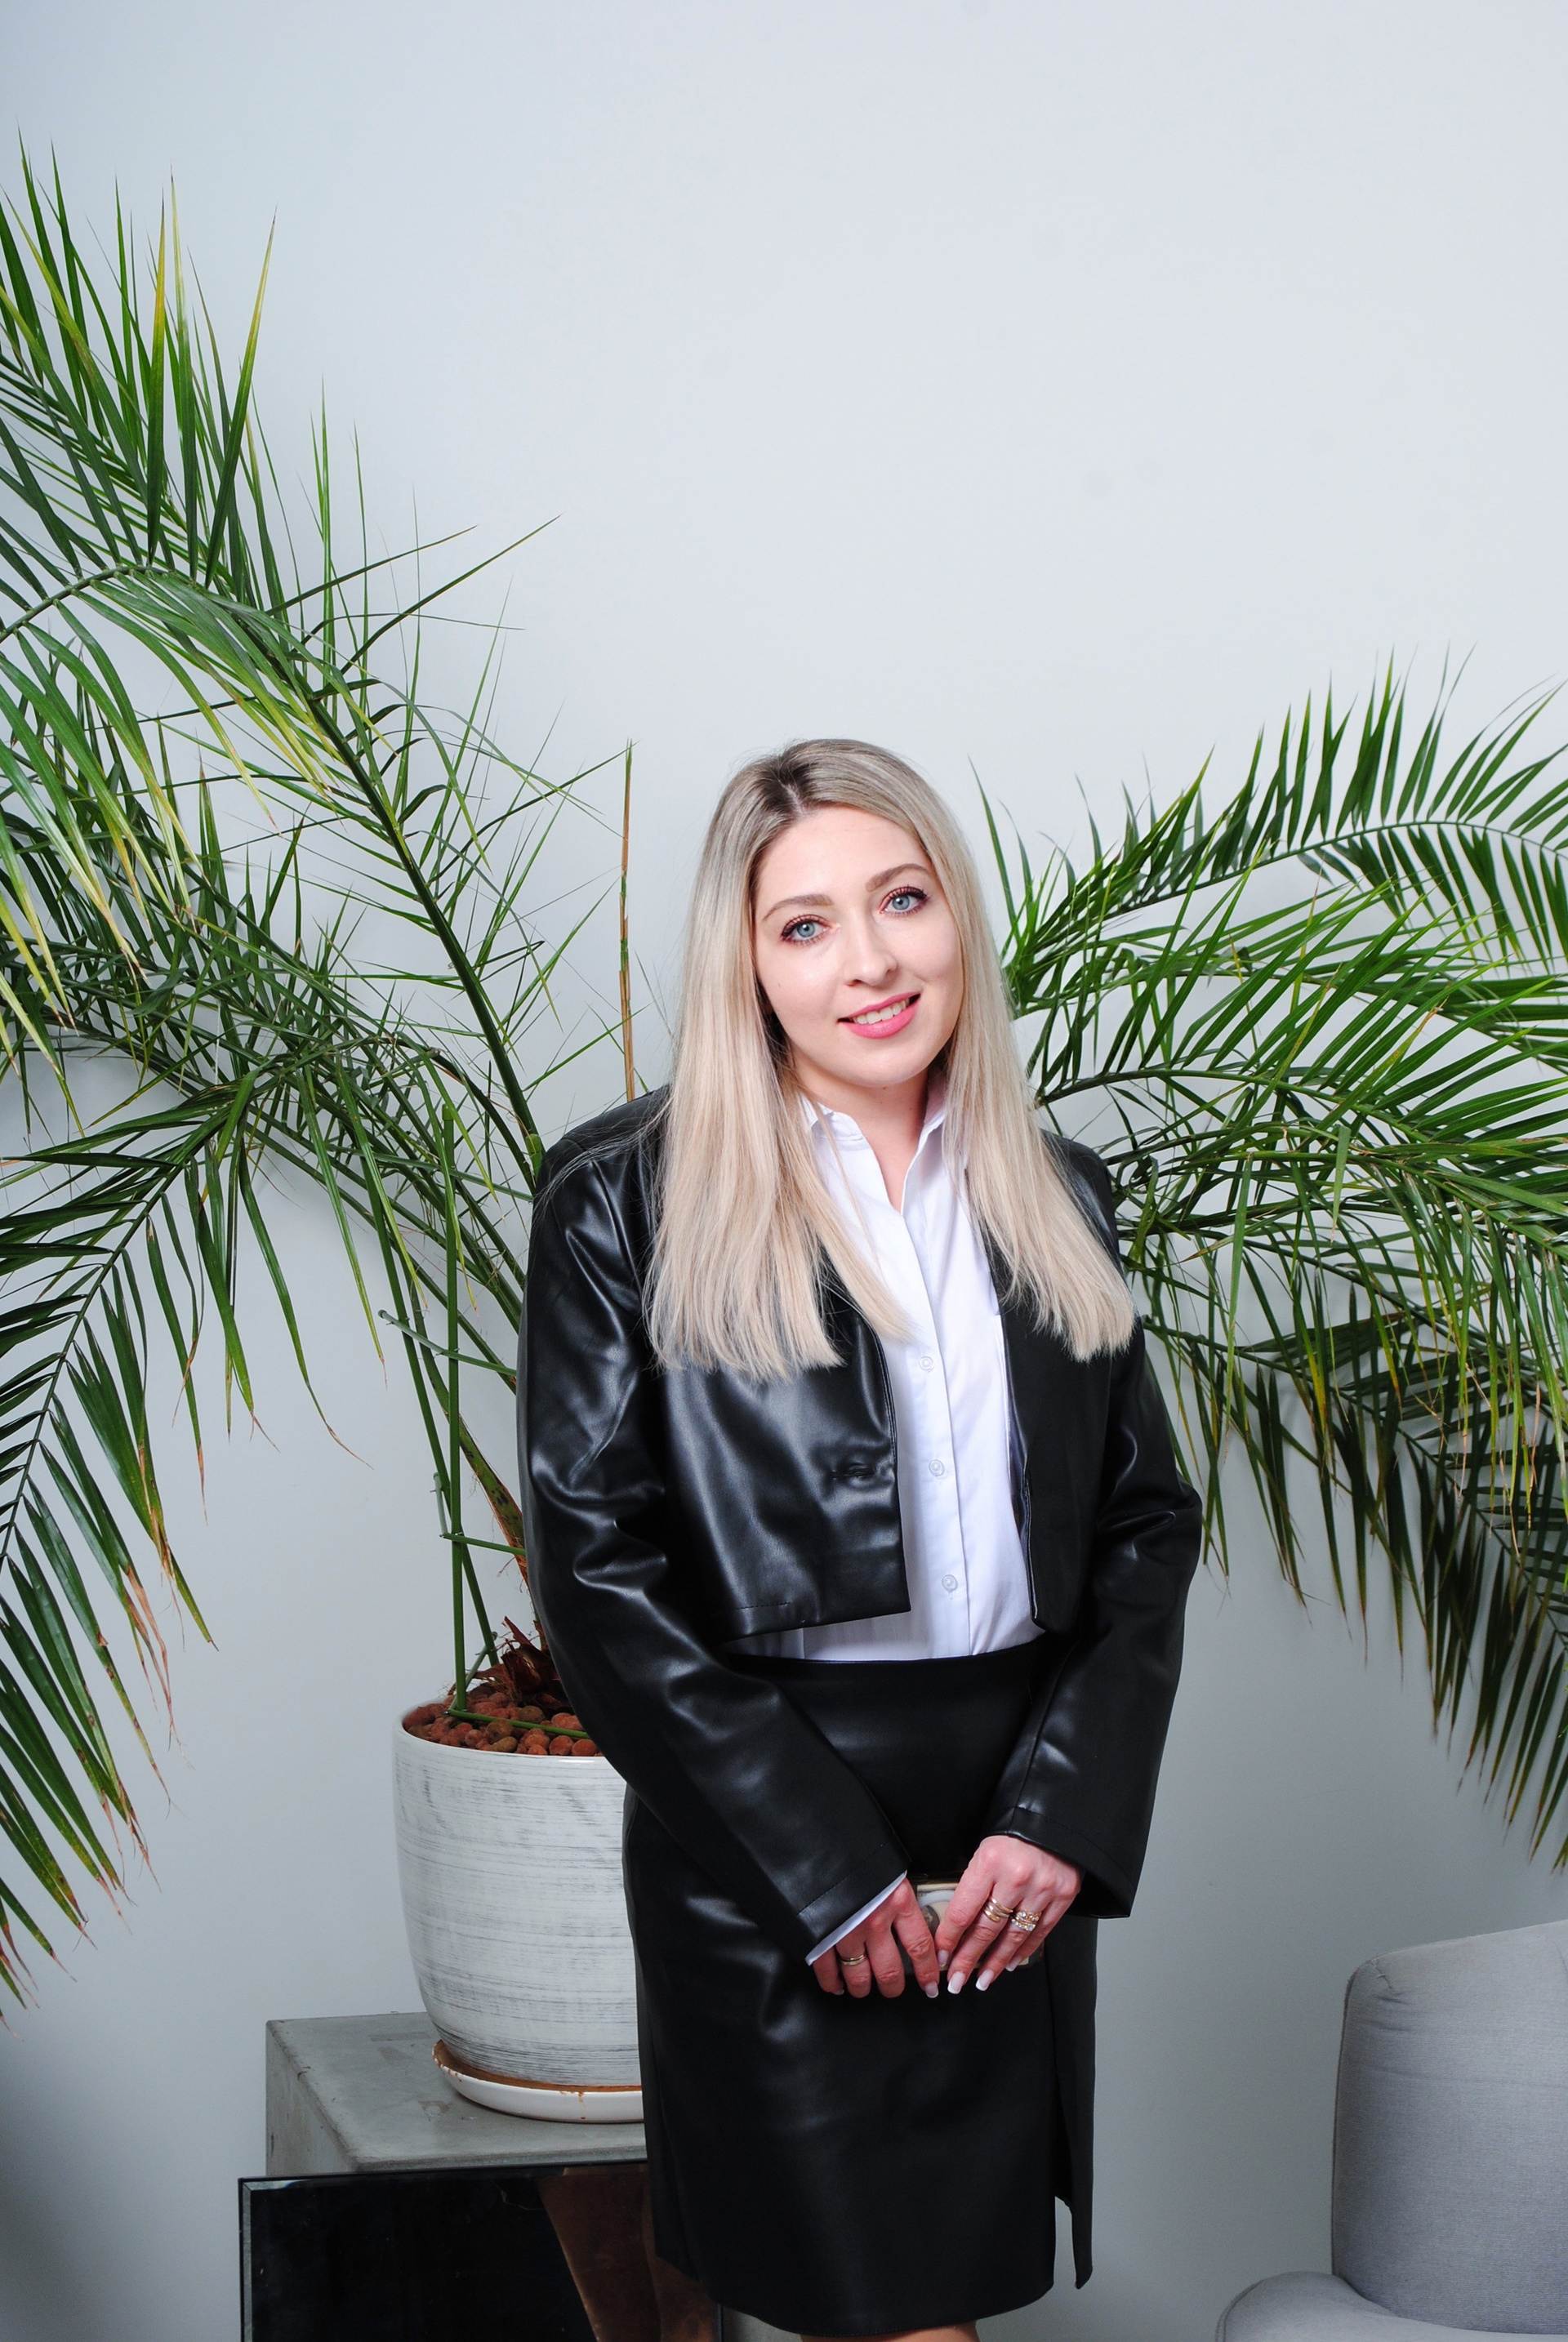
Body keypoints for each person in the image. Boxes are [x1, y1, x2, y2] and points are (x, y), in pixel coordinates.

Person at [519, 739, 1202, 2342]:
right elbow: (597, 1570)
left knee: (938, 2302)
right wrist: (821, 1866)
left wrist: (1062, 1816)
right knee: (889, 2316)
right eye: (806, 925)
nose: (872, 962)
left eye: (903, 901)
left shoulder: (1057, 1191)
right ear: (748, 964)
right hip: (767, 1832)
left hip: (1009, 1849)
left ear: (957, 915)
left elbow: (1144, 1525)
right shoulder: (624, 1198)